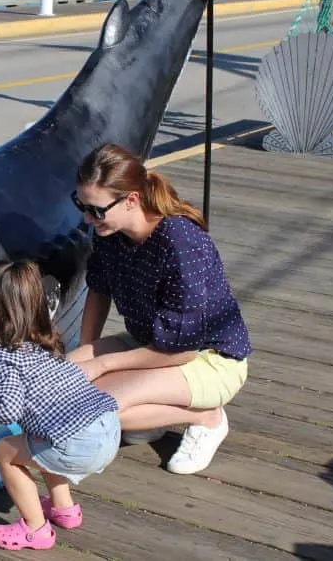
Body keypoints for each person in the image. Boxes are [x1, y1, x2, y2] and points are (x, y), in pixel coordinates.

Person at [66, 142, 252, 476]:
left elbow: (180, 351)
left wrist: (103, 363)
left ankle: (207, 417)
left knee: (99, 407)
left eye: (96, 209)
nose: (87, 218)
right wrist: (85, 351)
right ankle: (151, 416)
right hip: (148, 340)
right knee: (64, 376)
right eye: (82, 205)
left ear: (132, 199)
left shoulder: (180, 243)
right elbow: (99, 289)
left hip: (207, 356)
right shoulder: (109, 232)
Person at [0, 259, 121, 552]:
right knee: (39, 442)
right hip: (107, 427)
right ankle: (64, 509)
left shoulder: (4, 357)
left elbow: (7, 411)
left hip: (78, 443)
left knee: (6, 451)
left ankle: (35, 528)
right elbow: (12, 389)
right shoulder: (46, 342)